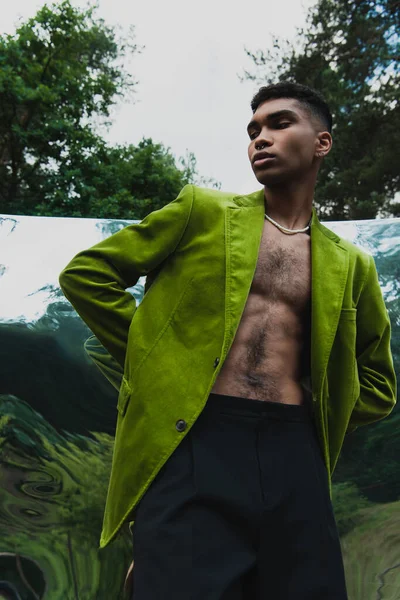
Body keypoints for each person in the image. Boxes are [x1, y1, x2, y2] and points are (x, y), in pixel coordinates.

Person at [59, 81, 397, 599]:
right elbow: (88, 274)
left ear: (322, 142)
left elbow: (378, 381)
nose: (261, 138)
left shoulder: (353, 265)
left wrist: (324, 404)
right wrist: (165, 362)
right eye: (253, 130)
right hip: (197, 438)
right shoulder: (200, 211)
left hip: (294, 450)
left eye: (280, 124)